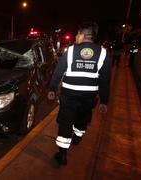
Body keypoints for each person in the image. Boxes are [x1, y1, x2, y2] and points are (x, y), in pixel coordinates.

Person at [47, 22, 111, 165]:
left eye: (77, 33)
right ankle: (77, 136)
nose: (76, 36)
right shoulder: (103, 53)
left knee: (65, 121)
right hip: (89, 97)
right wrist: (104, 101)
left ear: (83, 34)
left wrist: (51, 89)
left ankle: (62, 154)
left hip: (69, 95)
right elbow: (105, 80)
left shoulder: (70, 51)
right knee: (83, 117)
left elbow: (58, 72)